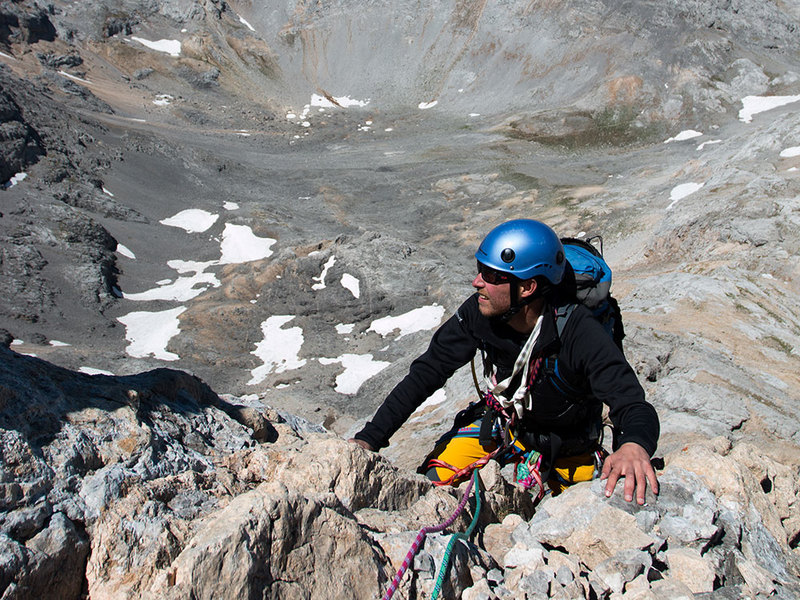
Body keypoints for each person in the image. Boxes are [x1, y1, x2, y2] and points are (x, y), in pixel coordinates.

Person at [351, 219, 659, 504]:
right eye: (479, 269)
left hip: (570, 452)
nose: (476, 282)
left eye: (490, 275)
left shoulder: (577, 332)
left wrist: (632, 445)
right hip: (508, 429)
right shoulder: (480, 313)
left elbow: (631, 403)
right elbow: (428, 372)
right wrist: (370, 438)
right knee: (431, 486)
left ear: (527, 287)